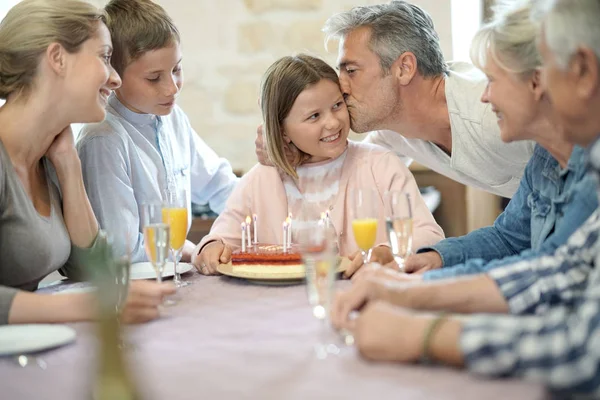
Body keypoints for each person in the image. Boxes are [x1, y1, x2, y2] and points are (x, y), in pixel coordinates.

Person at [331, 0, 600, 396]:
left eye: (494, 78)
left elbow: (577, 338)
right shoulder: (548, 159)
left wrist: (425, 333)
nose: (486, 95)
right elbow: (550, 265)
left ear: (578, 71)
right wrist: (424, 272)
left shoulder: (500, 125)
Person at [348, 0, 598, 280]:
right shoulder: (542, 162)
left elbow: (548, 272)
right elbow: (511, 239)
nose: (485, 94)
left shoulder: (497, 119)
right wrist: (434, 259)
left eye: (351, 71)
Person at [0, 0, 174, 325]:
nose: (115, 79)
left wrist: (69, 168)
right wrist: (86, 307)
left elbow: (93, 270)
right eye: (105, 57)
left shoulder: (49, 156)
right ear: (57, 59)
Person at [255, 0, 534, 200]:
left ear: (403, 69)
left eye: (351, 70)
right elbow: (348, 173)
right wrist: (293, 152)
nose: (340, 86)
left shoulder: (494, 113)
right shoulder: (390, 133)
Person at [194, 54, 444, 275]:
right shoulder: (262, 179)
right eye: (314, 116)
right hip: (279, 310)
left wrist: (388, 251)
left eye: (337, 105)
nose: (333, 122)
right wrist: (211, 247)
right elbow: (221, 237)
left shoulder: (380, 166)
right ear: (282, 131)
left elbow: (430, 235)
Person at [76, 0, 238, 263]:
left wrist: (251, 218)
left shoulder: (173, 118)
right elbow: (122, 248)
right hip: (130, 287)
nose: (172, 88)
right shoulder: (104, 140)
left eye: (176, 69)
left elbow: (219, 186)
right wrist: (188, 251)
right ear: (114, 76)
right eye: (154, 78)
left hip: (172, 273)